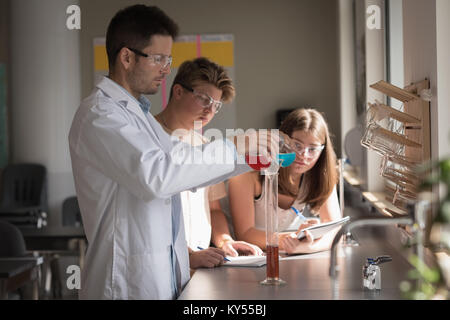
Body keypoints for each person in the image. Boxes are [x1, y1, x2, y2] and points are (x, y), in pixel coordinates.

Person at [68, 5, 277, 300]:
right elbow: (159, 176)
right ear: (126, 57)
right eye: (158, 59)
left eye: (169, 59)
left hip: (160, 279)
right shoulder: (100, 115)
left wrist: (254, 156)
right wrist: (236, 146)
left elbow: (184, 166)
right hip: (124, 285)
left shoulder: (137, 115)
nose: (167, 69)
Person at [155, 58, 263, 271]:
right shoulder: (149, 137)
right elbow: (147, 214)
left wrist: (225, 241)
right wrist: (187, 256)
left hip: (202, 262)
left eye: (216, 105)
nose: (209, 111)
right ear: (178, 91)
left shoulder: (205, 145)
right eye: (204, 99)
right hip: (165, 264)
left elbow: (213, 209)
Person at [228, 108, 341, 254]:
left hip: (274, 254)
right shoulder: (250, 173)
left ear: (322, 150)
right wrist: (290, 240)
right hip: (239, 255)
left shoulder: (320, 176)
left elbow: (335, 230)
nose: (303, 155)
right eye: (297, 145)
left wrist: (306, 245)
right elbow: (244, 234)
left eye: (312, 149)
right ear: (281, 141)